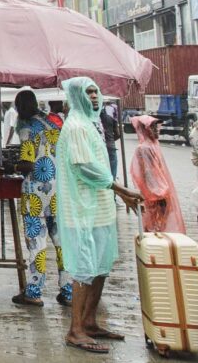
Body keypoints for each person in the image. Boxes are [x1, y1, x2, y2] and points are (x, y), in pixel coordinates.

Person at [55, 77, 143, 354]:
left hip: (99, 208)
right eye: (88, 92)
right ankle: (75, 330)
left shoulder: (92, 123)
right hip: (82, 210)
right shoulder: (76, 126)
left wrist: (118, 194)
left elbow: (99, 166)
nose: (94, 96)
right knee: (84, 269)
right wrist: (121, 189)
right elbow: (85, 168)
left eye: (96, 92)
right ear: (76, 97)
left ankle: (90, 322)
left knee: (101, 267)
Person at [12, 88, 71, 308]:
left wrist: (14, 166)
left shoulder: (26, 127)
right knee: (61, 243)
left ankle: (34, 291)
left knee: (36, 243)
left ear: (19, 107)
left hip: (35, 194)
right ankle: (68, 291)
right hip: (58, 192)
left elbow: (27, 164)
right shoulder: (54, 124)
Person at [130, 115, 186, 234]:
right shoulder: (144, 148)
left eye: (156, 127)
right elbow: (148, 173)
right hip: (154, 194)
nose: (156, 130)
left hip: (159, 192)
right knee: (154, 224)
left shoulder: (154, 145)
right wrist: (159, 193)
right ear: (145, 129)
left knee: (159, 224)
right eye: (152, 127)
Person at [100, 104, 120, 179]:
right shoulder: (111, 118)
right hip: (111, 146)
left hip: (99, 147)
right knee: (112, 175)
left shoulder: (95, 119)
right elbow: (118, 134)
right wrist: (111, 140)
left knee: (102, 175)